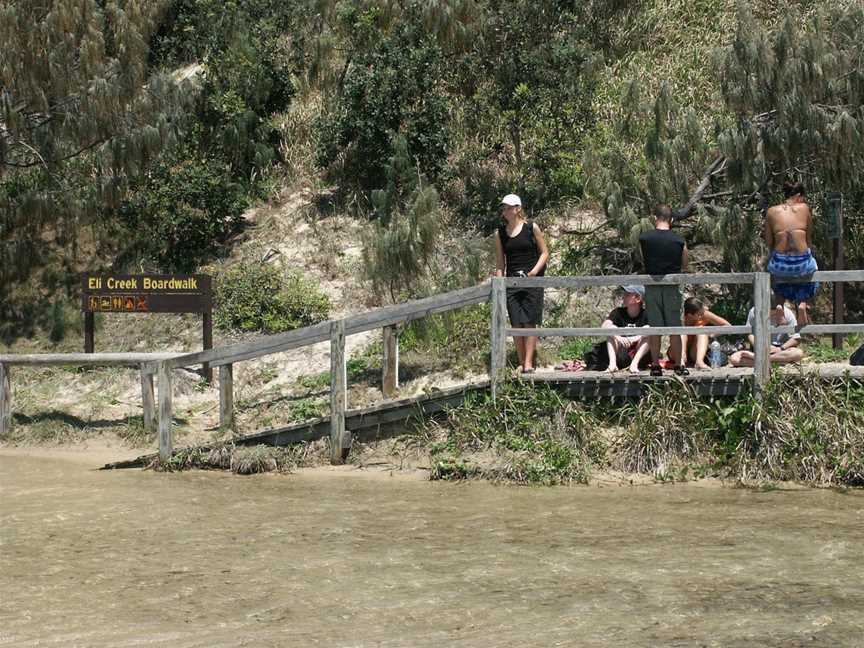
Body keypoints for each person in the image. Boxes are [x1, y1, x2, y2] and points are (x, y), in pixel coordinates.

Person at [494, 193, 549, 374]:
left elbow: (544, 253)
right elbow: (500, 263)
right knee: (516, 323)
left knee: (529, 322)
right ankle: (520, 360)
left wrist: (533, 272)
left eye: (509, 207)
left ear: (518, 209)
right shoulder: (500, 233)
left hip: (531, 280)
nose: (506, 211)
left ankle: (528, 363)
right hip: (512, 282)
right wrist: (500, 282)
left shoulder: (531, 227)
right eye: (504, 208)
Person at [638, 204, 689, 376]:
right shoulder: (679, 240)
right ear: (672, 219)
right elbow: (685, 263)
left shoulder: (644, 238)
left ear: (654, 218)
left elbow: (640, 258)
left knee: (655, 328)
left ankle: (655, 365)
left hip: (651, 285)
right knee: (676, 328)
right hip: (672, 286)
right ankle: (679, 365)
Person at [765, 180, 819, 325]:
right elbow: (808, 239)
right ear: (800, 196)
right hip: (802, 263)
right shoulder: (805, 208)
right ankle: (802, 304)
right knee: (812, 271)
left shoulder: (771, 211)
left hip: (780, 263)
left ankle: (779, 305)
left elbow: (769, 242)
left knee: (776, 275)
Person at [729, 293, 804, 367]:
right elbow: (750, 334)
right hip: (760, 349)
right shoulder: (754, 312)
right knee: (734, 359)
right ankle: (777, 362)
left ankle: (761, 361)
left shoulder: (788, 314)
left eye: (774, 310)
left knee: (798, 353)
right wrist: (761, 347)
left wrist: (781, 348)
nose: (772, 313)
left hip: (780, 350)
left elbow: (796, 338)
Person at [601, 285, 651, 373]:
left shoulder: (646, 314)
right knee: (611, 330)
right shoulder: (618, 312)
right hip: (621, 351)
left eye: (628, 294)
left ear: (638, 298)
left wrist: (636, 338)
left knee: (648, 333)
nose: (624, 296)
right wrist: (618, 336)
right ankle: (612, 364)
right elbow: (605, 325)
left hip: (639, 352)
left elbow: (653, 329)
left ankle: (634, 365)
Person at [681, 297, 731, 370]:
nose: (701, 316)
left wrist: (711, 334)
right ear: (689, 315)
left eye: (702, 313)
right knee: (682, 331)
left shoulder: (704, 314)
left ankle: (699, 362)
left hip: (694, 351)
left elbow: (728, 326)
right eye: (699, 315)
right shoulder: (680, 318)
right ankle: (681, 360)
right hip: (678, 351)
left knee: (702, 330)